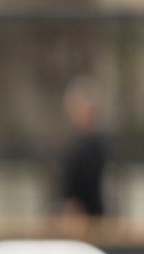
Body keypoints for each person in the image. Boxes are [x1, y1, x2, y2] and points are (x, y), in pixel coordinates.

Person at [58, 77, 109, 224]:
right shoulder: (78, 141)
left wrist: (77, 209)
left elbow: (91, 183)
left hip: (88, 218)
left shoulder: (94, 144)